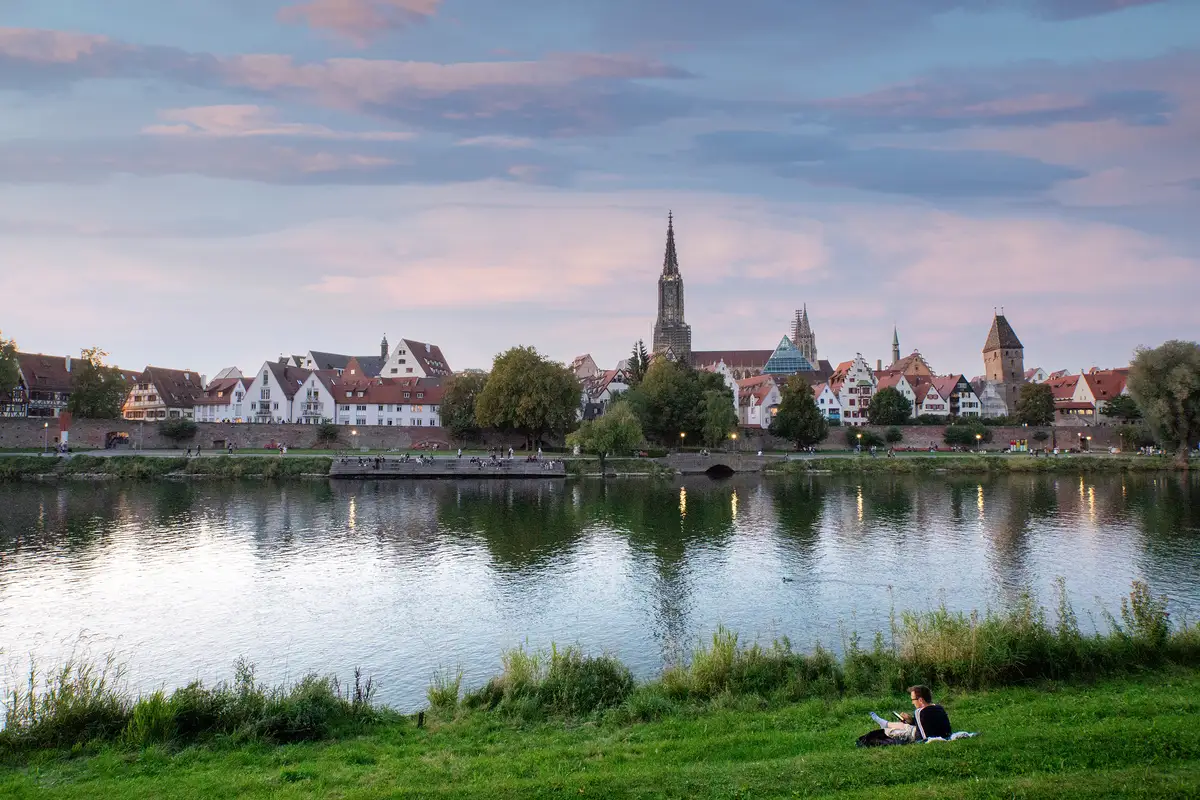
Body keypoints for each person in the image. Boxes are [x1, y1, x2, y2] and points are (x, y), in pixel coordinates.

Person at [858, 685, 951, 746]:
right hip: (942, 734)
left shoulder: (920, 712)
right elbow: (930, 724)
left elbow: (922, 736)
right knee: (905, 724)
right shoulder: (939, 707)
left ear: (921, 700)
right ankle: (885, 723)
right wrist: (912, 720)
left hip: (918, 735)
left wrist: (911, 726)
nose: (912, 702)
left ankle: (885, 725)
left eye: (913, 699)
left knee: (890, 731)